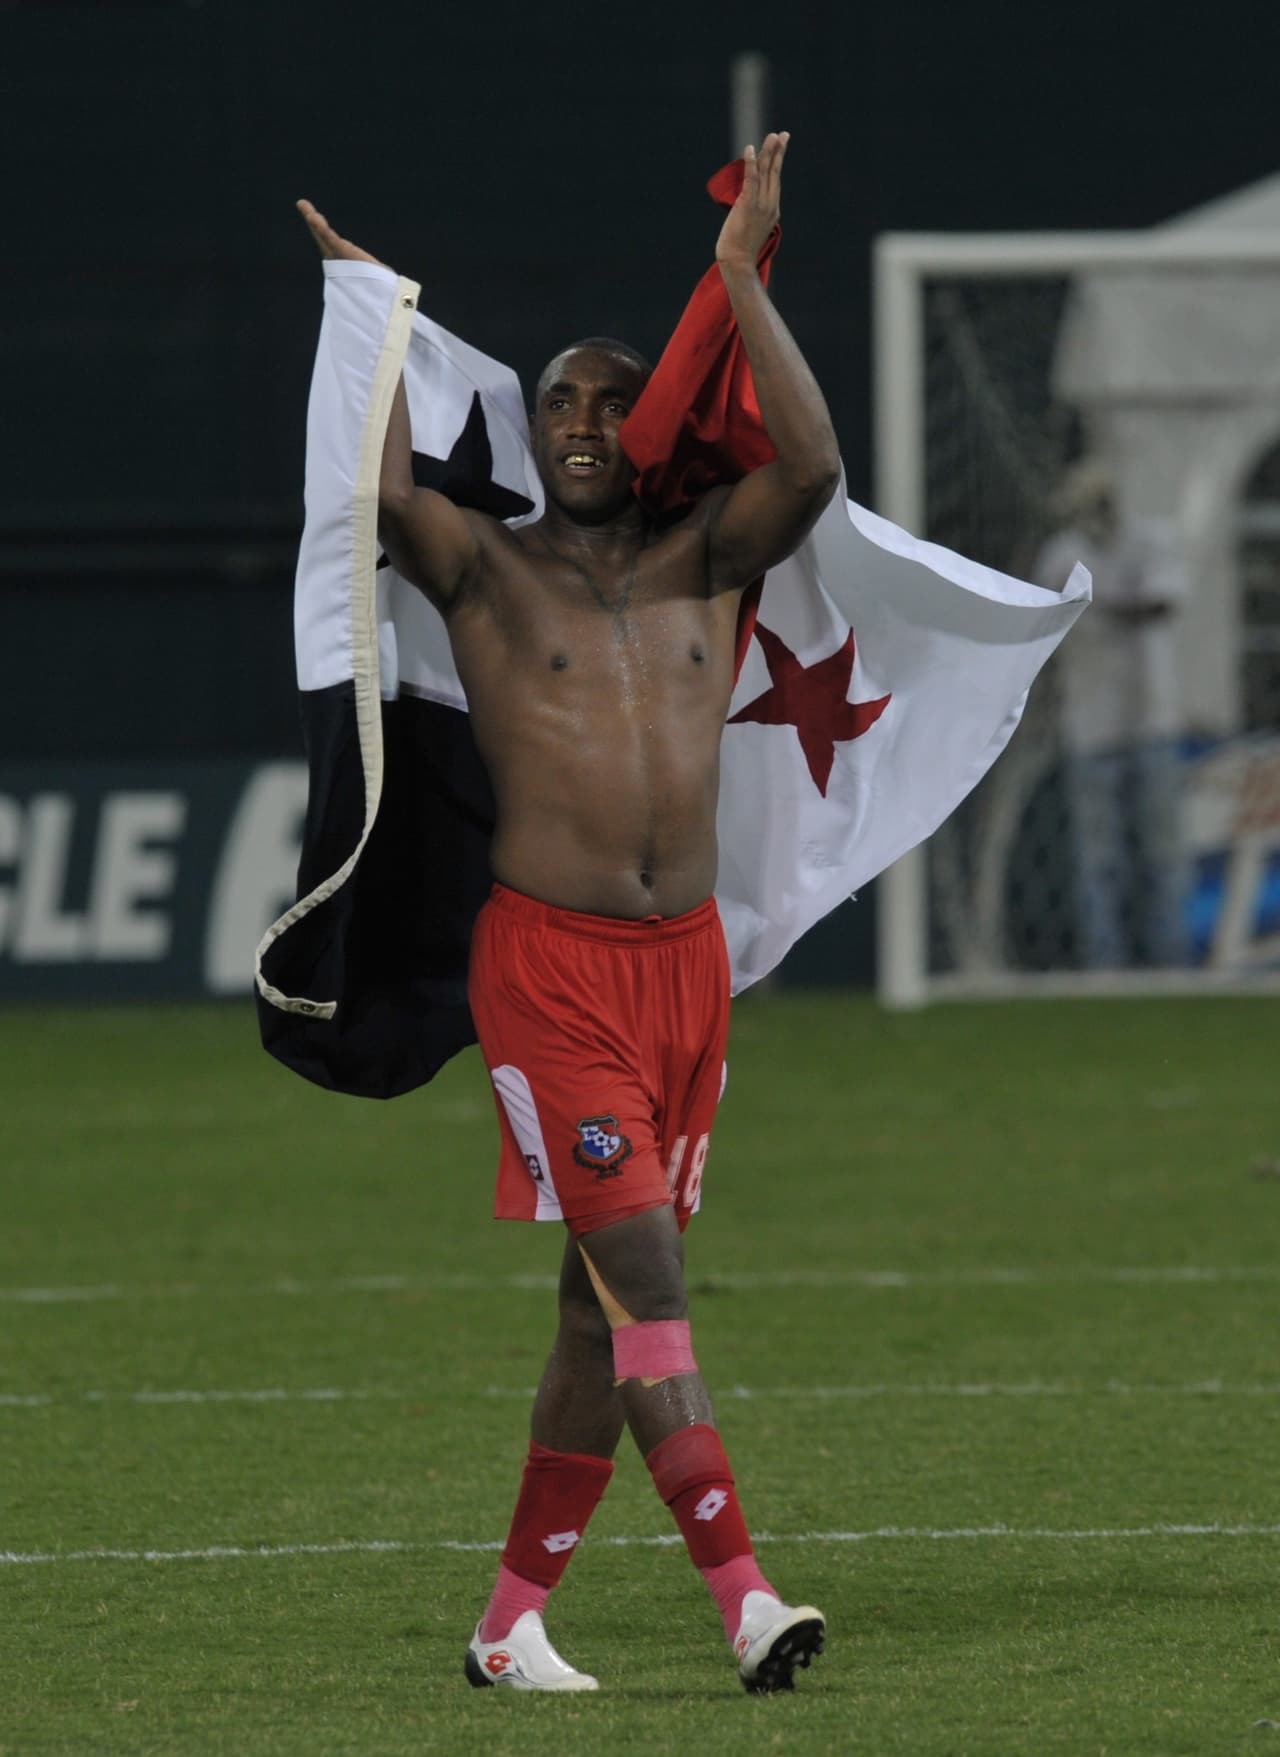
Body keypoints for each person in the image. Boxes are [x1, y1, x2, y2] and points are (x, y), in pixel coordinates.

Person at [297, 132, 835, 1694]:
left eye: (614, 397)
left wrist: (740, 283)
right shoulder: (485, 572)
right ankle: (745, 1597)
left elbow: (814, 472)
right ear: (531, 431)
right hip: (551, 979)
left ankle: (507, 1622)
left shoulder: (703, 560)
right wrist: (369, 319)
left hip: (689, 979)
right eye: (561, 403)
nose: (589, 422)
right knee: (649, 1279)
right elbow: (378, 487)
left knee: (599, 1317)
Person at [1033, 459, 1190, 968]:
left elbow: (1162, 605)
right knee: (1099, 860)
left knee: (1162, 854)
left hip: (1152, 720)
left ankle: (1170, 965)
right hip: (1089, 722)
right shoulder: (1063, 554)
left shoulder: (1151, 541)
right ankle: (1105, 968)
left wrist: (1090, 603)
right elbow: (1038, 616)